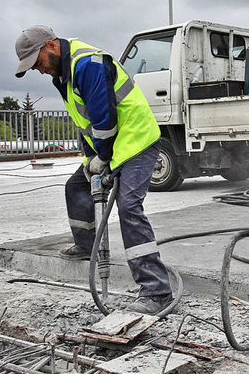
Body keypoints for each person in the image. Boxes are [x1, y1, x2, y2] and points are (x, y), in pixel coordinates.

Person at [14, 25, 173, 315]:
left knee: (129, 208)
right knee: (75, 186)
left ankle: (157, 291)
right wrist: (90, 160)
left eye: (37, 62)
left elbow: (104, 120)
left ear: (51, 46)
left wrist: (103, 157)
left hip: (136, 141)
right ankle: (88, 245)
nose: (38, 70)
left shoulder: (87, 65)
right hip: (113, 145)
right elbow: (83, 121)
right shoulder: (63, 74)